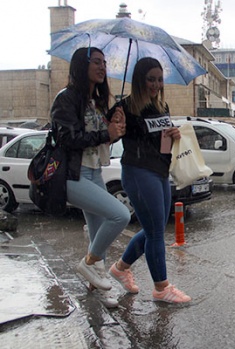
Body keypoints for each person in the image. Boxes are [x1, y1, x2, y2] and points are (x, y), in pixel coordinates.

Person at [107, 57, 191, 304]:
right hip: (138, 171)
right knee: (155, 232)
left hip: (160, 171)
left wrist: (173, 135)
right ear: (139, 80)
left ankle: (120, 268)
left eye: (159, 79)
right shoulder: (126, 108)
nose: (155, 84)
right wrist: (115, 119)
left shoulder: (161, 107)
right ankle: (161, 288)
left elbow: (162, 144)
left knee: (155, 227)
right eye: (150, 79)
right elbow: (109, 136)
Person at [51, 47, 131, 308]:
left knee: (99, 236)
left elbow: (99, 137)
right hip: (72, 175)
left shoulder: (95, 102)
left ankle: (97, 285)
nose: (102, 67)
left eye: (104, 62)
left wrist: (113, 123)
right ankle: (87, 265)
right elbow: (67, 139)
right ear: (80, 66)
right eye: (96, 62)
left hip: (94, 171)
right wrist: (105, 134)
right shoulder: (67, 98)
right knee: (120, 215)